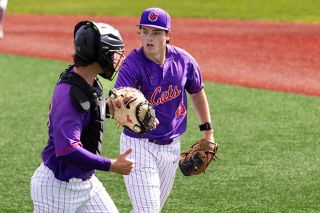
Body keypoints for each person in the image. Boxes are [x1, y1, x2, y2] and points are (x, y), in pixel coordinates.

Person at [115, 7, 215, 213]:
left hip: (171, 148)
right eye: (145, 31)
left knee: (151, 209)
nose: (149, 38)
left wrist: (208, 133)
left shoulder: (183, 60)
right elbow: (118, 96)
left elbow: (196, 92)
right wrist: (123, 101)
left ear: (168, 35)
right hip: (138, 146)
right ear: (139, 32)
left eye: (156, 32)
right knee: (148, 210)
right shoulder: (132, 64)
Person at [30, 20, 134, 213]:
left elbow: (86, 111)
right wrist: (112, 165)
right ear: (99, 56)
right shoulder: (69, 93)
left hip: (86, 184)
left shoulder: (87, 81)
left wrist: (110, 107)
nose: (117, 59)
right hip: (56, 189)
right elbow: (67, 149)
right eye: (113, 54)